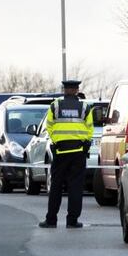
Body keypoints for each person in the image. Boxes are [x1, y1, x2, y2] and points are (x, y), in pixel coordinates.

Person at [39, 80, 94, 229]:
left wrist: (56, 140)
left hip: (60, 150)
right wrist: (85, 143)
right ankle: (72, 221)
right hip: (78, 151)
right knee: (75, 187)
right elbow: (90, 129)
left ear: (64, 89)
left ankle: (51, 220)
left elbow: (48, 126)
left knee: (56, 186)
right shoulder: (84, 107)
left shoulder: (55, 106)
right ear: (77, 90)